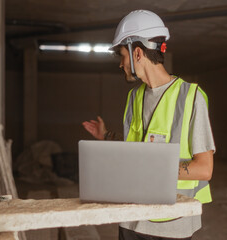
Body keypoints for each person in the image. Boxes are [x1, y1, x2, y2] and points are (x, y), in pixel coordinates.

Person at [82, 10, 215, 240]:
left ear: (138, 53)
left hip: (171, 224)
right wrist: (107, 136)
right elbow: (138, 148)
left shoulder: (191, 97)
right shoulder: (135, 97)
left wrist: (151, 171)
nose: (121, 64)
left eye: (122, 55)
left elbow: (204, 168)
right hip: (132, 219)